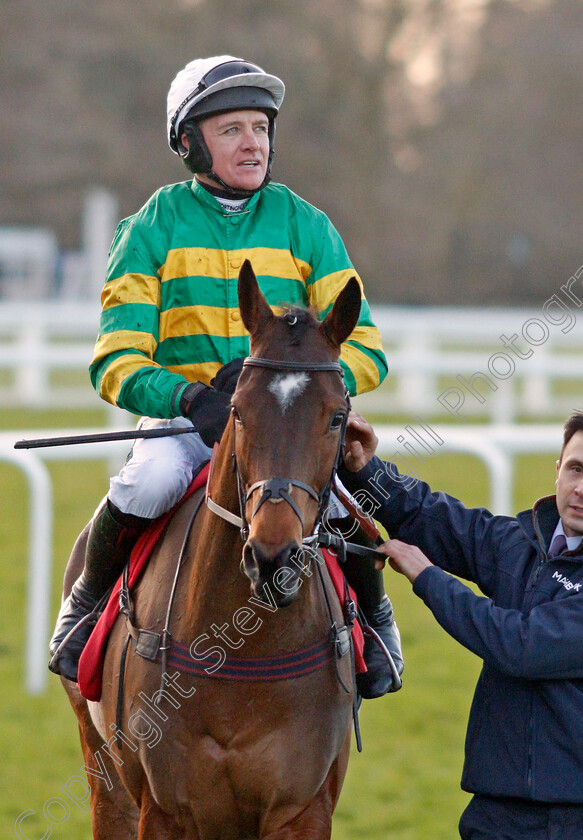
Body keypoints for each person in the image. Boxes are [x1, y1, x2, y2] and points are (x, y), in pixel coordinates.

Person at [48, 54, 403, 700]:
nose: (252, 142)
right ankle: (85, 606)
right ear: (190, 144)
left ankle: (374, 626)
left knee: (354, 497)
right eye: (232, 128)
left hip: (287, 423)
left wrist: (295, 387)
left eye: (260, 128)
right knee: (148, 481)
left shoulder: (307, 226)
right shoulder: (151, 228)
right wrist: (188, 396)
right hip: (190, 423)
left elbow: (369, 350)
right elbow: (115, 361)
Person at [340, 403, 583, 839]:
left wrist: (428, 577)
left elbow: (521, 647)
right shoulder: (521, 543)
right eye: (576, 468)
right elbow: (431, 516)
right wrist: (365, 469)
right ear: (558, 471)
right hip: (496, 816)